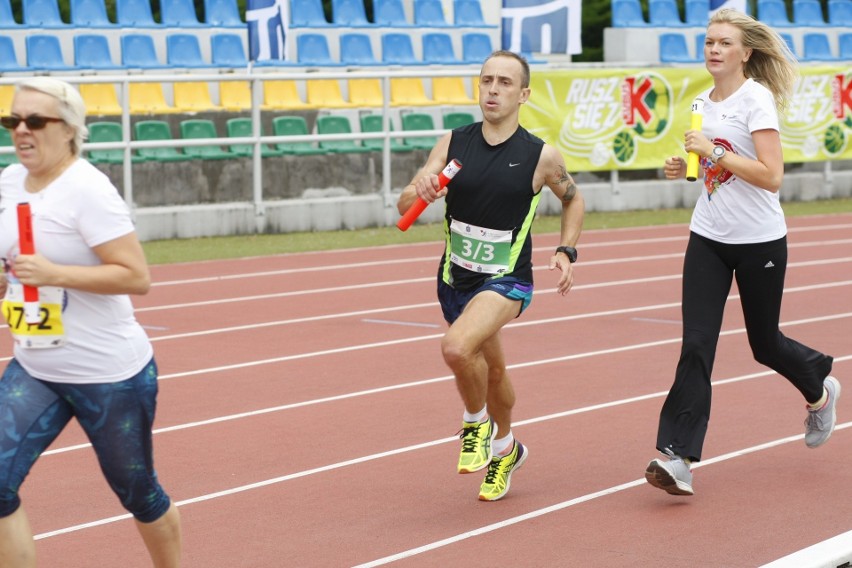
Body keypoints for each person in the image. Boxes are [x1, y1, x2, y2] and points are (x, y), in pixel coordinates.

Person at [644, 9, 838, 497]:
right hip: (708, 237)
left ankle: (817, 385)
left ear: (745, 53)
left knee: (764, 344)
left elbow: (772, 176)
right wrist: (682, 163)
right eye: (709, 41)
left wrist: (713, 151)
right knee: (696, 343)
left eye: (724, 43)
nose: (713, 49)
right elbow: (711, 167)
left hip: (759, 241)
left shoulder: (757, 99)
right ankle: (678, 457)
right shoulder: (700, 101)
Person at [0, 78, 182, 566]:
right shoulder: (8, 182)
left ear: (70, 129)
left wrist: (55, 273)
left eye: (35, 121)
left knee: (138, 493)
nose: (20, 130)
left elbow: (136, 276)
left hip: (108, 375)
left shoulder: (88, 190)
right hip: (35, 366)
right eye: (11, 120)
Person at [397, 51, 585, 501]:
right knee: (493, 370)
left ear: (523, 94)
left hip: (507, 281)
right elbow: (405, 207)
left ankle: (474, 424)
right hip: (455, 279)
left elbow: (573, 199)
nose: (493, 89)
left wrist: (566, 251)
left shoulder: (540, 156)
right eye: (486, 81)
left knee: (457, 347)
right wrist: (419, 190)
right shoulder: (453, 143)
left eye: (504, 82)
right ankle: (505, 449)